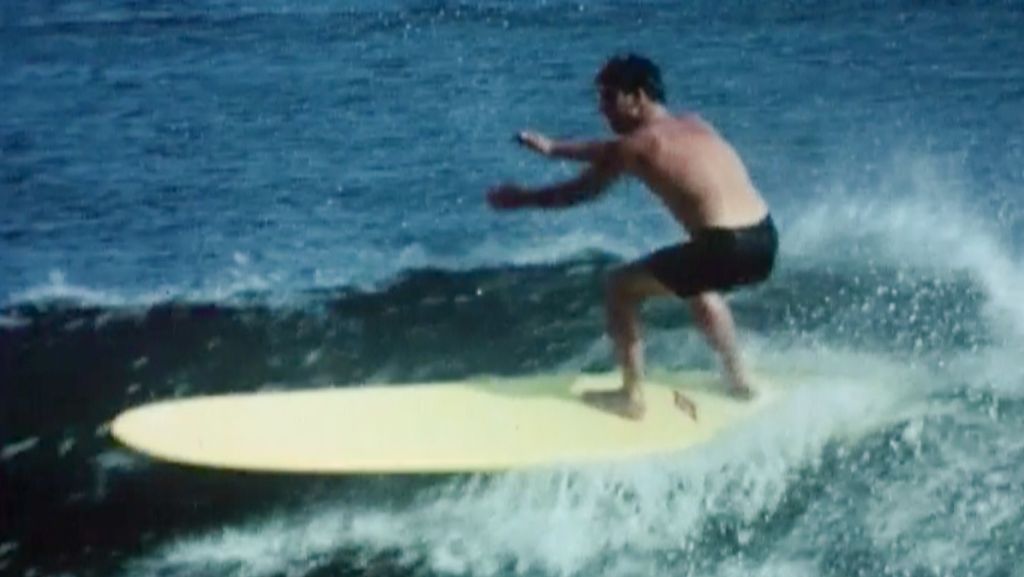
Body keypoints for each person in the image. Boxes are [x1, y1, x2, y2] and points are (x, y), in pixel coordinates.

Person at [486, 54, 778, 420]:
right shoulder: (695, 123)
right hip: (764, 240)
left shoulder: (636, 147)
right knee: (697, 284)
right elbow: (610, 151)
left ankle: (631, 397)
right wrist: (554, 148)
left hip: (724, 247)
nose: (603, 109)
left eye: (609, 97)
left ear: (637, 96)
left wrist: (521, 198)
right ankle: (739, 380)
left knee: (620, 286)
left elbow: (581, 191)